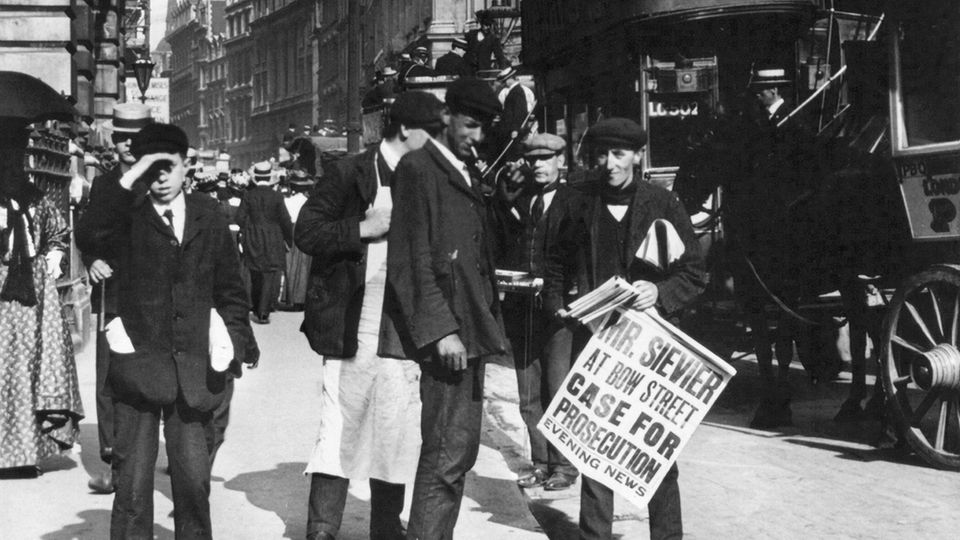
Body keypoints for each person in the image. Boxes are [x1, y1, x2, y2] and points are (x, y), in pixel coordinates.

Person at [75, 123, 259, 539]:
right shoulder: (128, 215)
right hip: (138, 369)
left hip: (194, 371)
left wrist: (233, 341)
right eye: (152, 168)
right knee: (133, 488)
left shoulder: (208, 216)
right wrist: (132, 172)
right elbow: (88, 232)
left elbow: (232, 289)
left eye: (169, 167)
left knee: (193, 486)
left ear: (185, 167)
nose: (161, 177)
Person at [544, 118, 706, 540]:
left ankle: (667, 536)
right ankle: (594, 535)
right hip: (594, 341)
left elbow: (693, 273)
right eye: (601, 154)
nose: (608, 164)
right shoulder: (575, 200)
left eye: (618, 154)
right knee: (596, 445)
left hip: (649, 344)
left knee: (656, 448)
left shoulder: (662, 203)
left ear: (637, 156)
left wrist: (660, 291)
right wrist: (560, 308)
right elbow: (554, 265)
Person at [296, 91, 444, 540]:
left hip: (403, 326)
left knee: (394, 429)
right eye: (432, 133)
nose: (438, 143)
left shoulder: (428, 177)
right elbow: (307, 231)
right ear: (405, 130)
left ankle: (385, 528)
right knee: (339, 423)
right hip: (352, 320)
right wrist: (362, 229)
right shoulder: (349, 171)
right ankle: (322, 528)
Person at [381, 78, 507, 540]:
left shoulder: (461, 169)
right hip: (451, 333)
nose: (477, 137)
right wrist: (440, 331)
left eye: (484, 129)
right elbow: (411, 260)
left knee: (459, 453)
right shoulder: (419, 168)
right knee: (445, 455)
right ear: (447, 116)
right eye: (471, 125)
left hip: (470, 326)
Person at [491, 133, 581, 491]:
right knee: (528, 393)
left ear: (562, 160)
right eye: (534, 160)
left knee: (557, 387)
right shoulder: (520, 198)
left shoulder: (575, 201)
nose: (539, 165)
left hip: (558, 313)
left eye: (547, 158)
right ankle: (541, 462)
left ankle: (565, 466)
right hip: (521, 308)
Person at [0, 120, 84, 478]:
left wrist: (50, 259)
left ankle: (25, 451)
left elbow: (57, 236)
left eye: (15, 155)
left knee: (30, 366)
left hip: (32, 293)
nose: (10, 163)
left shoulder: (37, 198)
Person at [83, 102, 153, 493]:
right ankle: (113, 462)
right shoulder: (104, 184)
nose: (128, 145)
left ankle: (155, 457)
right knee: (109, 377)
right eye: (122, 137)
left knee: (151, 375)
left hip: (154, 296)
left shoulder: (161, 181)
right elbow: (89, 232)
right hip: (113, 293)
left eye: (136, 138)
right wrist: (92, 259)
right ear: (113, 139)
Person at [238, 161, 294, 324]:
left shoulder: (248, 195)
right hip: (273, 237)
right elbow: (285, 219)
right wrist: (288, 239)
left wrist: (249, 229)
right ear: (270, 176)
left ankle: (256, 306)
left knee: (256, 273)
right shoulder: (277, 196)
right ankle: (264, 311)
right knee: (269, 273)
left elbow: (239, 217)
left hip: (254, 236)